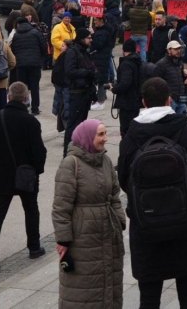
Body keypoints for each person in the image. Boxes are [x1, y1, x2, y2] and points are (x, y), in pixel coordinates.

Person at [117, 77, 187, 309]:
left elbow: (123, 182)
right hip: (186, 225)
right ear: (169, 100)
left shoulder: (132, 136)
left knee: (149, 299)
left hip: (147, 227)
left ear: (143, 102)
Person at [52, 119, 126, 308]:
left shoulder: (106, 161)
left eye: (105, 134)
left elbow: (115, 195)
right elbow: (61, 207)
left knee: (109, 287)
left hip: (108, 236)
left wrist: (119, 220)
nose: (105, 139)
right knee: (84, 291)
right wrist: (64, 240)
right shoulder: (71, 164)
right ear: (87, 137)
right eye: (100, 134)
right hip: (82, 240)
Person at [0, 82, 47, 272]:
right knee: (31, 209)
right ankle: (34, 246)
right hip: (26, 174)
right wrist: (36, 171)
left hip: (1, 174)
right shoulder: (30, 121)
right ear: (26, 98)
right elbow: (39, 151)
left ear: (8, 97)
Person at [63, 28, 97, 155]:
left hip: (85, 92)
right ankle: (68, 152)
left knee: (82, 124)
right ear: (82, 38)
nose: (91, 40)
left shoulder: (85, 52)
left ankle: (79, 149)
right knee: (73, 125)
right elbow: (70, 72)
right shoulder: (73, 52)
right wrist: (86, 73)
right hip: (77, 93)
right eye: (89, 37)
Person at [10, 17, 47, 115]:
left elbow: (13, 49)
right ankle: (35, 108)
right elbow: (43, 46)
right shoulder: (35, 32)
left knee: (22, 86)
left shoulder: (16, 35)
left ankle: (23, 106)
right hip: (34, 64)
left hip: (21, 65)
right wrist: (40, 59)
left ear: (18, 24)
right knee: (35, 86)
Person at [154, 40, 186, 114]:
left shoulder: (179, 62)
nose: (178, 51)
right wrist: (166, 96)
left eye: (179, 48)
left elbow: (179, 80)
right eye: (175, 49)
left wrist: (184, 76)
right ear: (169, 50)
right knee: (170, 123)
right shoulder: (161, 64)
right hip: (170, 100)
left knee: (182, 122)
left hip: (181, 98)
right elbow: (156, 83)